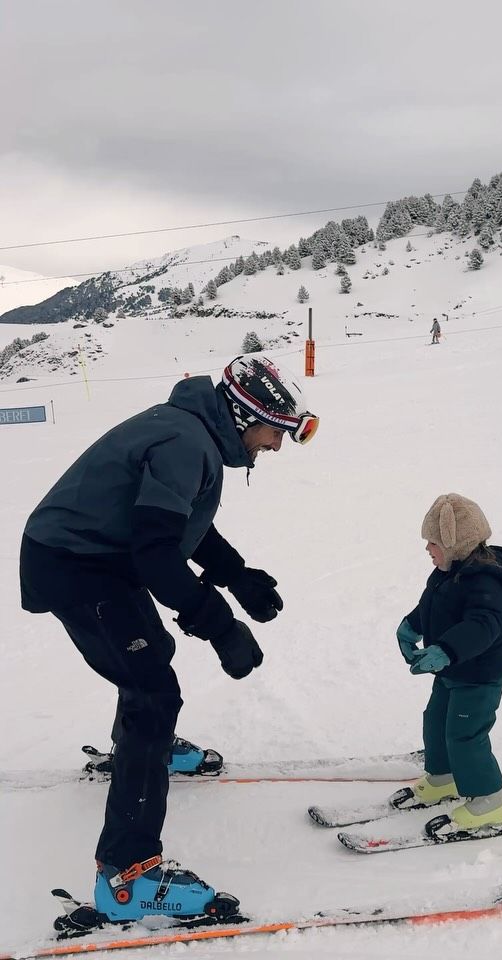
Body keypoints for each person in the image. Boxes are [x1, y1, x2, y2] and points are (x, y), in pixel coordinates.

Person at [19, 355, 318, 926]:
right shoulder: (186, 443)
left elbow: (180, 524)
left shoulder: (192, 431)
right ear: (242, 416)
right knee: (152, 692)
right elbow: (155, 554)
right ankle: (126, 877)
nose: (276, 446)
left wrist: (237, 575)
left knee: (148, 663)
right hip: (77, 565)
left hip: (94, 557)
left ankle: (142, 750)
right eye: (274, 432)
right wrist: (221, 623)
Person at [391, 493, 502, 837]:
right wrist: (412, 626)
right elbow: (431, 606)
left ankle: (492, 800)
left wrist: (446, 650)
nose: (428, 549)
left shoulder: (488, 581)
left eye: (433, 543)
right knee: (436, 721)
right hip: (452, 671)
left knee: (465, 735)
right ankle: (443, 778)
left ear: (455, 544)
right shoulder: (447, 571)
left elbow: (482, 626)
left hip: (480, 676)